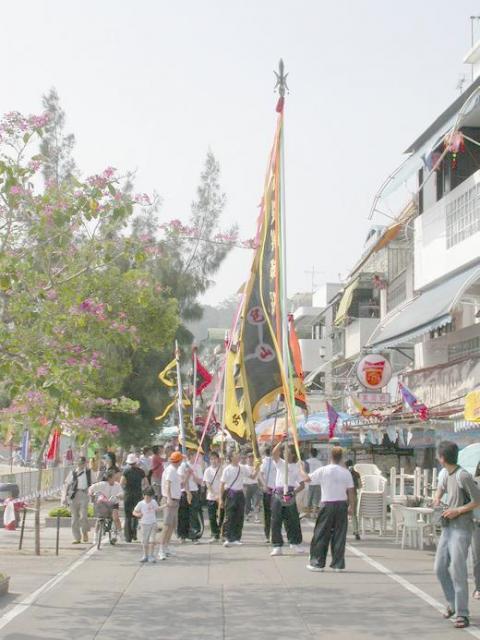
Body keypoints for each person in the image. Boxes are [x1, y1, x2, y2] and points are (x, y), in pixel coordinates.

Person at [433, 441, 480, 629]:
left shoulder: (463, 476)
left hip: (461, 527)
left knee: (458, 569)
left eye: (438, 455)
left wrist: (458, 510)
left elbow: (477, 500)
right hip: (447, 527)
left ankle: (463, 613)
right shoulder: (445, 474)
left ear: (442, 458)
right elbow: (441, 488)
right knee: (439, 567)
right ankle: (452, 603)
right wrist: (437, 497)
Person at [306, 446, 354, 572]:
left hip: (327, 504)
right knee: (339, 534)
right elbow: (351, 491)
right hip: (341, 504)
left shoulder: (323, 470)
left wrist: (301, 469)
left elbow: (307, 479)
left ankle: (317, 562)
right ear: (341, 457)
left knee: (321, 534)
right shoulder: (346, 472)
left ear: (330, 457)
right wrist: (351, 505)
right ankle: (338, 564)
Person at [270, 441, 305, 556]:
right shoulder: (280, 463)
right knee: (276, 521)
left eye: (288, 452)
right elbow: (274, 453)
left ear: (293, 455)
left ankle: (295, 543)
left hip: (289, 494)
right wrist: (281, 441)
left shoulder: (296, 467)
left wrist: (292, 493)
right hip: (278, 494)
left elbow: (302, 485)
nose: (286, 454)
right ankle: (277, 546)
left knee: (293, 520)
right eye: (285, 452)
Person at [219, 450, 259, 547]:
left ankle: (236, 538)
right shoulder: (227, 469)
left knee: (239, 516)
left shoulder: (242, 468)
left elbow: (252, 477)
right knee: (229, 516)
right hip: (231, 494)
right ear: (231, 458)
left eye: (238, 454)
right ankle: (228, 538)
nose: (238, 456)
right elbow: (222, 484)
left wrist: (258, 467)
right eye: (236, 455)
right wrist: (221, 499)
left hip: (240, 494)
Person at [159, 451, 183, 560]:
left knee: (172, 525)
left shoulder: (174, 470)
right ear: (179, 461)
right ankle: (161, 550)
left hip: (175, 500)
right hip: (170, 500)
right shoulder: (171, 470)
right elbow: (168, 484)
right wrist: (168, 498)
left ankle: (166, 547)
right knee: (167, 525)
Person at [177, 449, 204, 542]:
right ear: (190, 456)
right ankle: (182, 535)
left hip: (194, 492)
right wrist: (188, 474)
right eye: (195, 455)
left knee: (194, 514)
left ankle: (194, 535)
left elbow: (200, 482)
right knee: (183, 514)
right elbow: (182, 483)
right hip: (184, 492)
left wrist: (193, 474)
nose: (197, 457)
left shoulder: (198, 467)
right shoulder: (182, 466)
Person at [64, 456, 92, 544]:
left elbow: (94, 483)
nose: (81, 465)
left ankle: (85, 532)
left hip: (84, 494)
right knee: (74, 517)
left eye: (82, 463)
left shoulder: (88, 472)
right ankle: (77, 537)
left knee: (83, 515)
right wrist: (65, 497)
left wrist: (92, 493)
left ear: (85, 463)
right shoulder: (73, 473)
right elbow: (67, 484)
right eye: (79, 463)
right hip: (74, 495)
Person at [120, 453, 147, 543]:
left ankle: (128, 537)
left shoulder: (126, 471)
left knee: (128, 516)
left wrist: (124, 490)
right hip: (138, 495)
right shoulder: (141, 471)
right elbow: (146, 483)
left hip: (128, 494)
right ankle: (134, 533)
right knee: (136, 514)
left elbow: (122, 483)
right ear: (136, 462)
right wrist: (144, 491)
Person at [89, 469, 123, 536]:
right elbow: (91, 488)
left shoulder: (117, 485)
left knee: (115, 517)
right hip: (103, 504)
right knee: (99, 519)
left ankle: (120, 532)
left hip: (113, 503)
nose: (115, 478)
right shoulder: (103, 484)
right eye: (113, 477)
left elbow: (122, 493)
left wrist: (119, 496)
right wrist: (91, 493)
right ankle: (95, 535)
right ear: (109, 478)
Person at [133, 487, 160, 563]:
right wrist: (138, 514)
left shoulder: (154, 502)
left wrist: (165, 505)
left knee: (152, 540)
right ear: (143, 495)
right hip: (144, 524)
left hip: (153, 523)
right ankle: (145, 555)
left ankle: (151, 555)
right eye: (147, 497)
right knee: (145, 541)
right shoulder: (141, 503)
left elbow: (157, 509)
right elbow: (134, 512)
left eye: (150, 497)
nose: (148, 499)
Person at [203, 451, 224, 542]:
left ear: (218, 459)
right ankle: (214, 534)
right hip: (211, 497)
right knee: (212, 517)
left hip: (222, 496)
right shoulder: (208, 470)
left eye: (215, 458)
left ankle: (222, 533)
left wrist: (220, 495)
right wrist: (215, 495)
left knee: (222, 516)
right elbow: (208, 484)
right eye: (211, 459)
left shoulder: (222, 468)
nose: (213, 461)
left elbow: (224, 482)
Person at [260, 447, 276, 543]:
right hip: (268, 490)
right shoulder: (265, 462)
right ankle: (268, 534)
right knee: (268, 513)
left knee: (276, 513)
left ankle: (274, 533)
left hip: (278, 490)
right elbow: (260, 474)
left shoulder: (278, 461)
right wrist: (264, 485)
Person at [346, 459, 361, 540]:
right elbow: (360, 486)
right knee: (354, 514)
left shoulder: (344, 474)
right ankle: (356, 531)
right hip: (354, 495)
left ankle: (342, 532)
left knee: (343, 514)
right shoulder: (357, 474)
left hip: (344, 495)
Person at [244, 452, 261, 523]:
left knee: (256, 501)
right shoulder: (244, 467)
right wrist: (256, 469)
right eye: (249, 458)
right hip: (246, 486)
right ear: (246, 459)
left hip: (255, 485)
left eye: (252, 458)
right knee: (247, 502)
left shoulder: (256, 467)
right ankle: (247, 515)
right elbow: (252, 476)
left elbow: (259, 477)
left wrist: (261, 486)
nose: (250, 459)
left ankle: (256, 517)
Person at [305, 448, 322, 517]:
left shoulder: (307, 461)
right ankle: (314, 513)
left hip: (309, 482)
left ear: (310, 454)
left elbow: (306, 471)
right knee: (316, 498)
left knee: (309, 498)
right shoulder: (319, 462)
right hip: (317, 482)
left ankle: (308, 513)